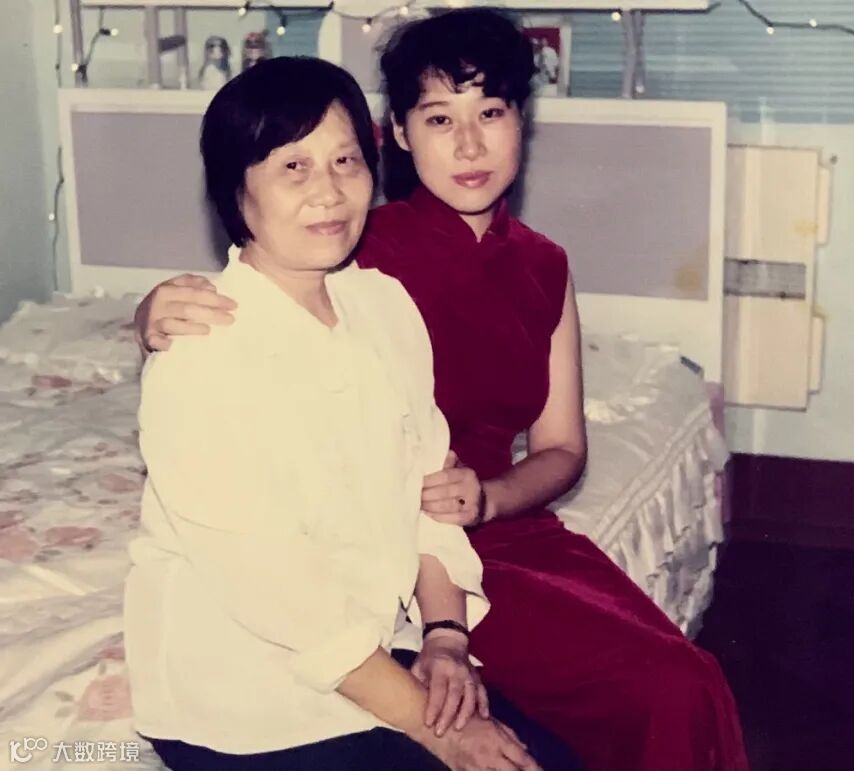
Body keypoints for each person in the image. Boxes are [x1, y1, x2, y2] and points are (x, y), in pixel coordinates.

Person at [134, 10, 748, 770]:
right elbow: (252, 314)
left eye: (490, 113)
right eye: (439, 118)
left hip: (471, 531)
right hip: (375, 563)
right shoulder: (358, 249)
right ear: (398, 133)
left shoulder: (486, 276)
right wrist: (150, 317)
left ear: (521, 122)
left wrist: (483, 515)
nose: (468, 145)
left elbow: (555, 448)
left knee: (682, 681)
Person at [124, 55, 579, 771]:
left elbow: (430, 487)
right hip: (247, 695)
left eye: (345, 161)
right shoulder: (201, 353)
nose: (329, 192)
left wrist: (445, 635)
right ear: (236, 190)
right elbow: (277, 592)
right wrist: (438, 729)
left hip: (369, 652)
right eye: (293, 167)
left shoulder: (383, 304)